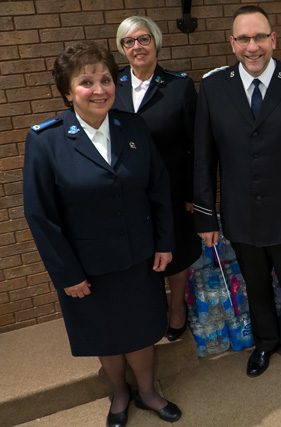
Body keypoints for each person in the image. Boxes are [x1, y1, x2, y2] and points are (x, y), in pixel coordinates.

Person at [23, 41, 181, 426]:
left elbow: (159, 189)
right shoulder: (47, 141)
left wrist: (164, 243)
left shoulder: (134, 127)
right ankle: (120, 394)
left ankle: (148, 391)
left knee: (142, 330)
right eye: (86, 82)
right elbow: (41, 216)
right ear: (67, 91)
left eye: (106, 79)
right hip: (87, 270)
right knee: (104, 334)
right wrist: (67, 275)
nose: (99, 89)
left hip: (139, 257)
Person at [192, 5, 281, 383]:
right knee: (255, 284)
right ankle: (265, 342)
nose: (252, 47)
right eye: (243, 39)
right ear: (232, 43)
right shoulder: (214, 87)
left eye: (259, 37)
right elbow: (204, 157)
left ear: (273, 39)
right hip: (240, 213)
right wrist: (206, 215)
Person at [113, 16, 202, 342]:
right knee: (141, 255)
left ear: (156, 42)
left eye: (143, 39)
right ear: (122, 49)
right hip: (129, 193)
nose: (137, 47)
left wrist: (196, 192)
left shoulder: (179, 86)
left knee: (175, 252)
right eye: (129, 41)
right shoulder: (112, 85)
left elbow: (197, 143)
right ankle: (150, 311)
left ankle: (177, 308)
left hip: (174, 190)